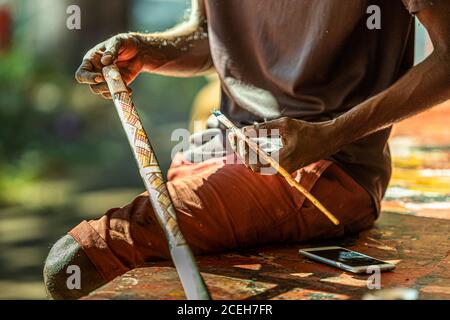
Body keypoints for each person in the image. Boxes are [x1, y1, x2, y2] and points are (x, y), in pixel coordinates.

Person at [44, 0, 450, 299]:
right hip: (217, 149)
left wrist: (327, 135)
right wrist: (147, 49)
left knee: (73, 262)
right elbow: (209, 37)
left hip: (324, 171)